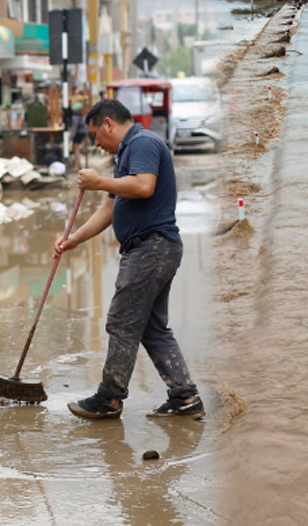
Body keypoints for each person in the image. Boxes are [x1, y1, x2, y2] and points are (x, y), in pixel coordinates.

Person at [54, 98, 201, 420]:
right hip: (154, 249)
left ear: (109, 123)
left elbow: (144, 186)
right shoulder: (126, 155)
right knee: (151, 328)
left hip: (151, 248)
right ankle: (184, 395)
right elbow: (109, 208)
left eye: (96, 134)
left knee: (121, 322)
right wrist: (73, 239)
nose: (95, 143)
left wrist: (98, 182)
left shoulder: (143, 143)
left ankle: (109, 398)